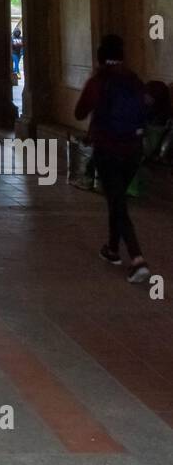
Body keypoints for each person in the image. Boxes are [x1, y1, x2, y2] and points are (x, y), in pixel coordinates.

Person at [75, 34, 150, 285]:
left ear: (99, 57)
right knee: (115, 199)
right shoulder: (134, 80)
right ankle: (112, 249)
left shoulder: (98, 82)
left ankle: (138, 259)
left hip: (107, 149)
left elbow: (79, 112)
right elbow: (147, 107)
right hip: (134, 150)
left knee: (118, 203)